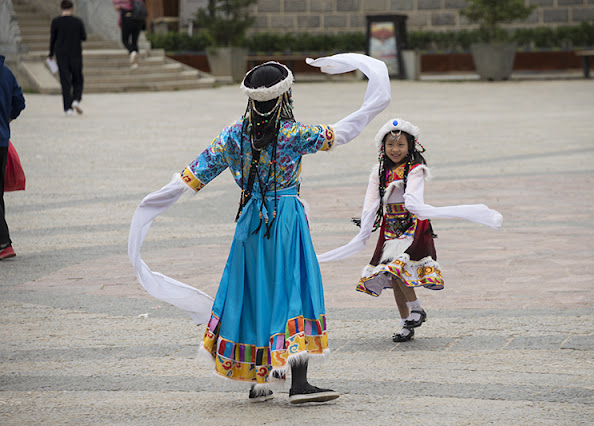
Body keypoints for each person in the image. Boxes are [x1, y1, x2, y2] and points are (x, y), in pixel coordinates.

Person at [128, 54, 390, 403]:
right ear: (284, 96)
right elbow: (343, 132)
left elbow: (191, 176)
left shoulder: (233, 135)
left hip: (251, 222)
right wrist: (374, 96)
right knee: (293, 289)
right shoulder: (293, 133)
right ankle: (298, 383)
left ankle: (259, 379)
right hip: (285, 219)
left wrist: (151, 204)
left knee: (255, 293)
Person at [317, 118, 503, 342]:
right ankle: (406, 323)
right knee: (394, 277)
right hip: (390, 227)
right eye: (390, 145)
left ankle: (416, 308)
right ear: (382, 147)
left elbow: (413, 198)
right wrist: (365, 227)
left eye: (401, 145)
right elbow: (371, 202)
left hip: (412, 225)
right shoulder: (378, 172)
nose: (395, 149)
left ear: (411, 146)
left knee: (398, 269)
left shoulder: (415, 170)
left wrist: (412, 202)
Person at [0, 56, 26, 260]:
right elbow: (19, 101)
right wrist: (7, 120)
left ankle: (4, 242)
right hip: (2, 141)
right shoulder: (6, 73)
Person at [48, 0, 86, 116]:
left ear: (61, 8)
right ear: (72, 8)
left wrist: (50, 54)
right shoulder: (78, 22)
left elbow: (53, 39)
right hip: (75, 53)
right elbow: (83, 37)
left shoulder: (55, 22)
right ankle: (76, 99)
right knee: (77, 78)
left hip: (61, 54)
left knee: (65, 81)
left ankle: (67, 108)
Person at [113, 0, 145, 68]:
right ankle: (135, 62)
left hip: (126, 18)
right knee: (134, 42)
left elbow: (116, 7)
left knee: (125, 40)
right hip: (138, 19)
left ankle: (132, 52)